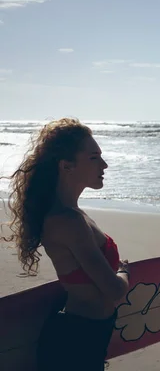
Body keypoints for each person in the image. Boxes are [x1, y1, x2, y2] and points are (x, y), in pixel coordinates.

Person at [0, 118, 130, 370]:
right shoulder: (67, 221)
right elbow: (114, 290)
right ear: (66, 166)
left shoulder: (73, 213)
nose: (104, 164)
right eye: (94, 158)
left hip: (88, 334)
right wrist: (124, 271)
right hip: (74, 342)